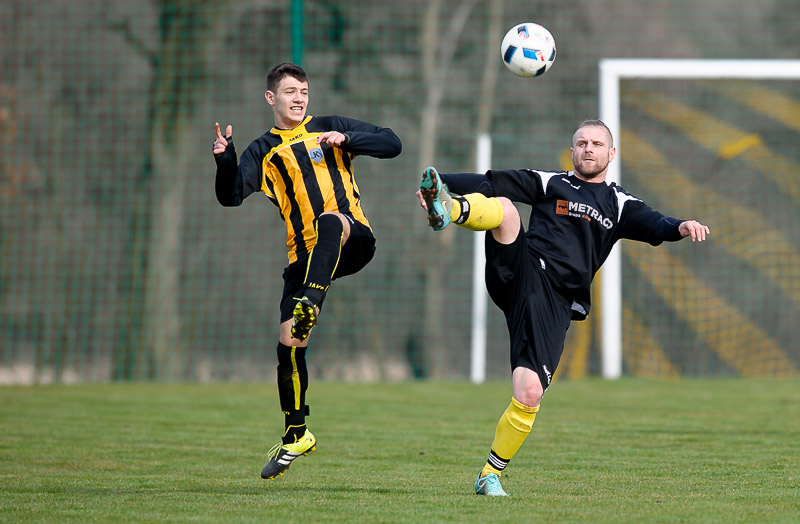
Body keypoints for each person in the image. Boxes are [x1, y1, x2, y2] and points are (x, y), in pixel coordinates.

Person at [416, 119, 709, 497]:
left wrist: (680, 226)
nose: (589, 148)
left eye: (597, 144)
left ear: (611, 154)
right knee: (505, 208)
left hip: (554, 302)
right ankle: (450, 208)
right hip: (522, 270)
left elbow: (655, 224)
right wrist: (442, 184)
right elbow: (490, 182)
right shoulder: (551, 183)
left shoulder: (619, 204)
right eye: (582, 143)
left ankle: (489, 475)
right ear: (572, 152)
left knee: (529, 393)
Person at [214, 62, 402, 480]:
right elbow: (230, 196)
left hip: (352, 238)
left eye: (303, 91)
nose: (299, 98)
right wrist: (225, 161)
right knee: (289, 345)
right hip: (304, 258)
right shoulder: (262, 151)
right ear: (271, 98)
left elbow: (392, 143)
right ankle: (296, 433)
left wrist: (348, 138)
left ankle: (310, 302)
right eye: (290, 92)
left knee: (330, 220)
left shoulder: (330, 126)